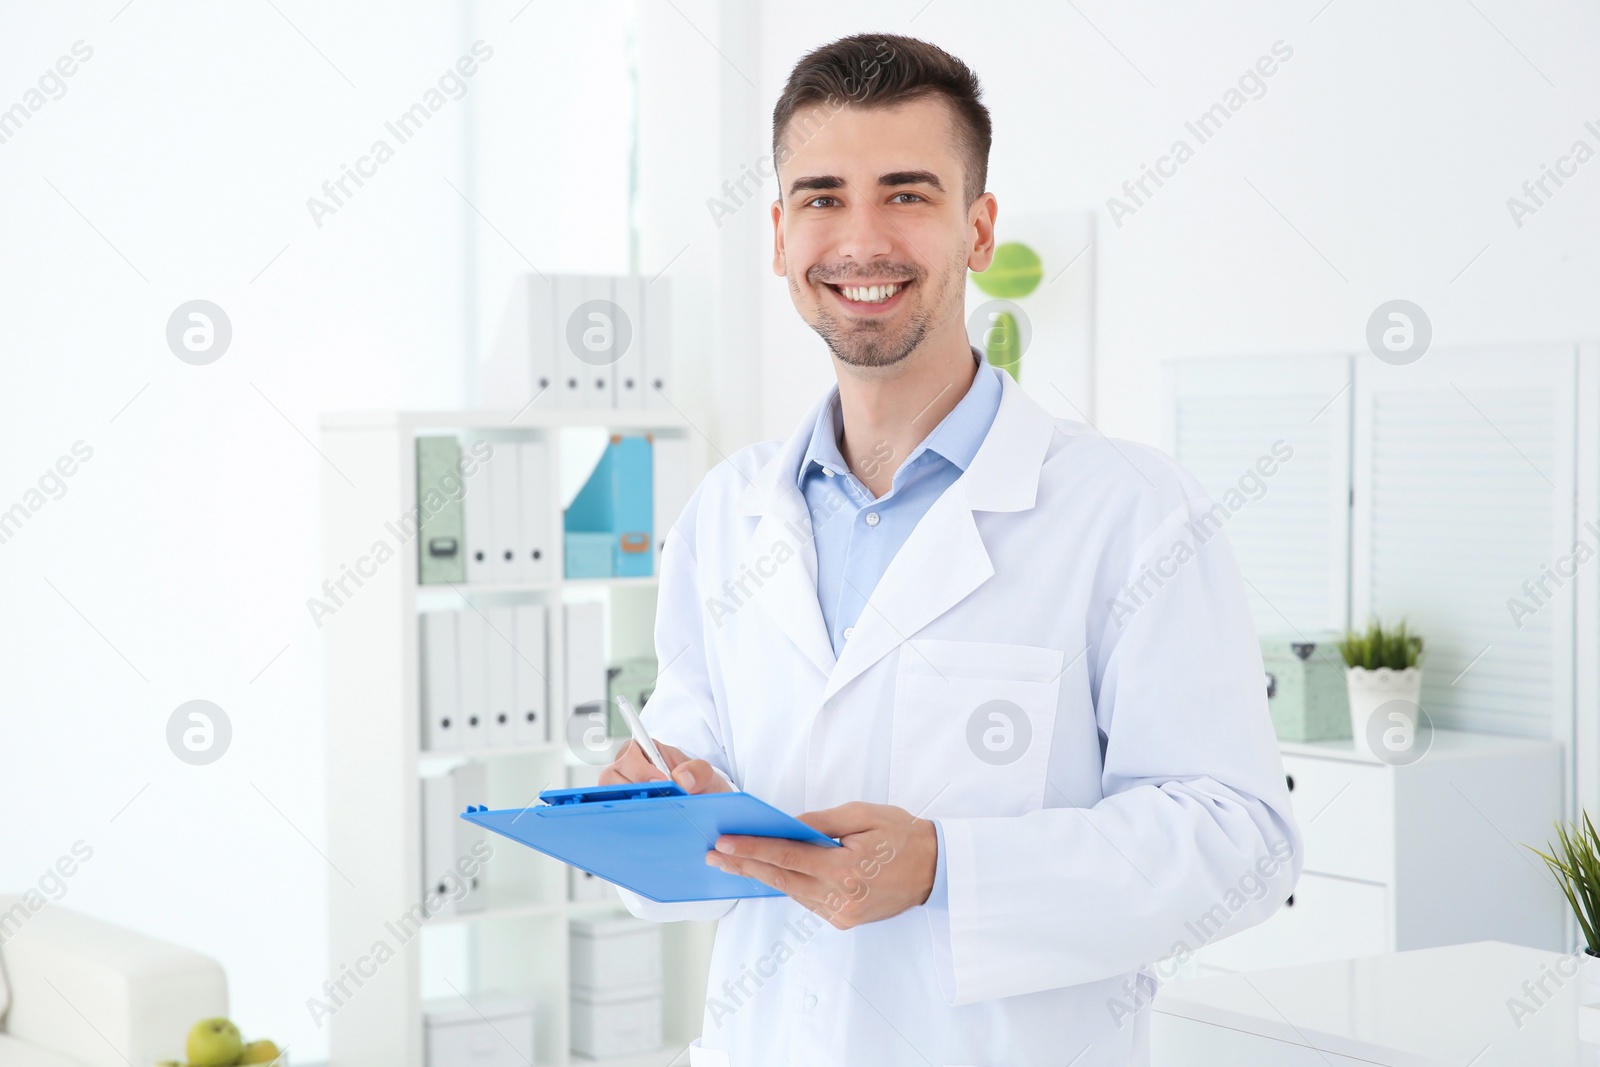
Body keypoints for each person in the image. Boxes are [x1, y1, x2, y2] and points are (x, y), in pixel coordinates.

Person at [600, 32, 1301, 1067]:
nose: (860, 239)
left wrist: (945, 868)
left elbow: (1241, 843)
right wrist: (641, 811)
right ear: (780, 232)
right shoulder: (725, 515)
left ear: (976, 229)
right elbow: (684, 806)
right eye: (823, 195)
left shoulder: (1131, 511)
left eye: (908, 194)